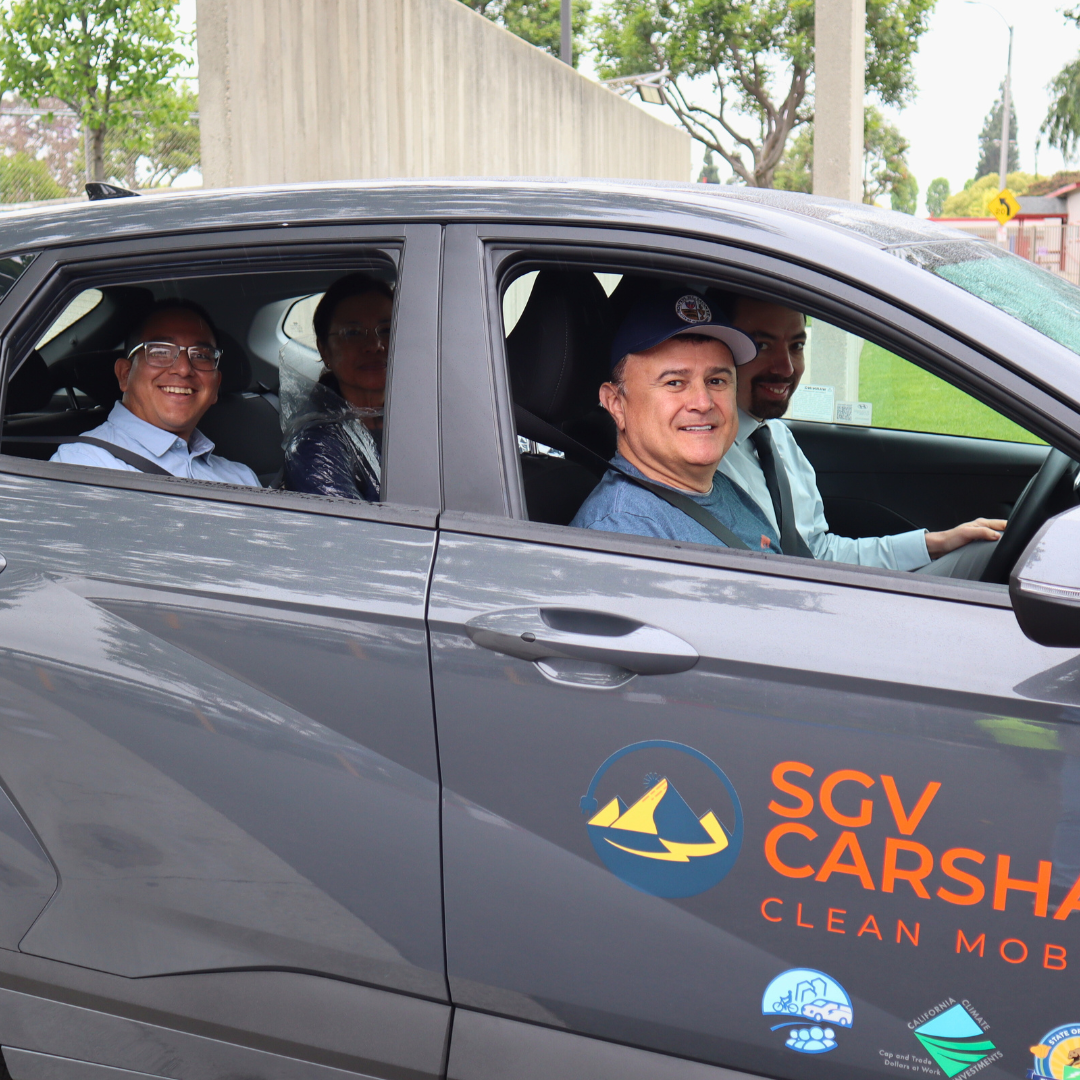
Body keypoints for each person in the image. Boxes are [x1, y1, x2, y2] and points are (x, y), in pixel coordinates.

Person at [715, 297, 1007, 575]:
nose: (787, 368)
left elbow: (817, 552)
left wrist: (936, 544)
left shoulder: (778, 437)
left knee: (982, 550)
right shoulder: (703, 459)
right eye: (762, 345)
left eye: (797, 346)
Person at [571, 290, 781, 552]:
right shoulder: (625, 533)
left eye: (716, 381)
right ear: (616, 404)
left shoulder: (719, 489)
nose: (703, 402)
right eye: (674, 382)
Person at [51, 301, 259, 486]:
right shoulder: (84, 466)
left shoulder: (241, 478)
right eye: (160, 352)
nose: (184, 369)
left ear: (215, 387)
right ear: (125, 374)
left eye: (201, 355)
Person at [282, 272, 391, 501]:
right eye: (352, 333)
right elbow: (350, 531)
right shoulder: (315, 444)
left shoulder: (426, 419)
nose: (374, 345)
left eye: (387, 330)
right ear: (324, 350)